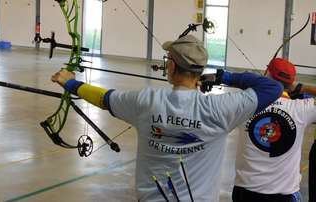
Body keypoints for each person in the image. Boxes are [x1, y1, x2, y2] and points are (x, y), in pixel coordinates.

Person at [51, 35, 282, 202]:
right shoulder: (221, 108)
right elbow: (272, 87)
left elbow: (104, 98)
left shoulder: (146, 101)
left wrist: (69, 82)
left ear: (171, 66)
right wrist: (225, 76)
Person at [233, 58, 316, 202]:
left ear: (267, 75)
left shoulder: (244, 103)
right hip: (284, 195)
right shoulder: (302, 108)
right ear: (291, 83)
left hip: (245, 192)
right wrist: (303, 88)